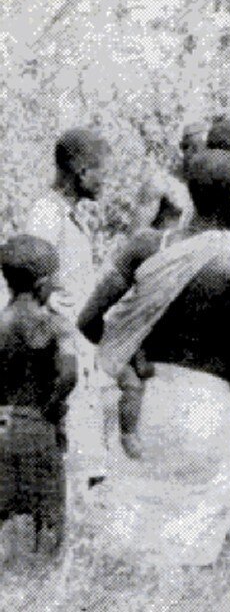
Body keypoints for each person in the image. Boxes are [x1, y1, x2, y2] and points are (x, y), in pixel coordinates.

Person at [77, 149, 230, 566]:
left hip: (145, 403)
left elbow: (89, 320)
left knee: (130, 540)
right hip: (206, 413)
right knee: (190, 550)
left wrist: (127, 364)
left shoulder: (146, 245)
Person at [24, 127, 110, 493]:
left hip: (79, 354)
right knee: (68, 464)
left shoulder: (70, 216)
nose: (105, 178)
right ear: (81, 171)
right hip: (62, 358)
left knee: (85, 464)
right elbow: (30, 268)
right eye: (101, 169)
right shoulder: (47, 213)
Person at [0, 235, 78, 553]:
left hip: (2, 422)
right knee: (47, 518)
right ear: (43, 284)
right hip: (38, 424)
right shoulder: (56, 327)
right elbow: (69, 375)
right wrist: (52, 407)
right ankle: (42, 588)